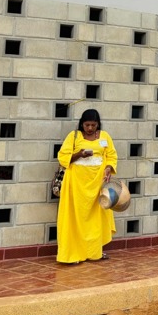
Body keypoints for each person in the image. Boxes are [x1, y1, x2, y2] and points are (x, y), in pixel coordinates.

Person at [57, 108, 118, 264]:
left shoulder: (105, 137)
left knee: (96, 218)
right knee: (75, 218)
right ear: (81, 124)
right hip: (76, 184)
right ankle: (73, 254)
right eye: (87, 125)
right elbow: (63, 157)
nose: (90, 128)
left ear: (98, 124)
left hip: (97, 183)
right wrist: (80, 154)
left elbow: (111, 155)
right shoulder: (74, 136)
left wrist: (108, 168)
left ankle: (94, 252)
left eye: (93, 125)